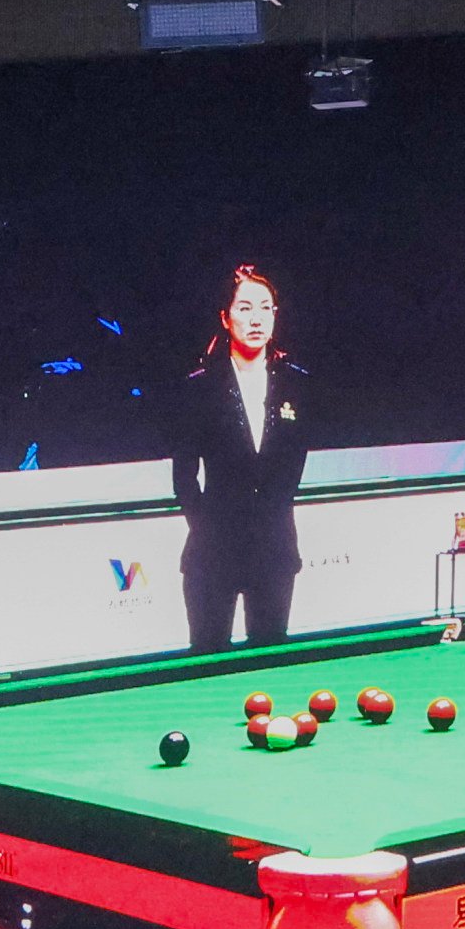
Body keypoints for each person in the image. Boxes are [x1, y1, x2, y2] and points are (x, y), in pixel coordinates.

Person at [171, 267, 307, 650]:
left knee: (270, 657)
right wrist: (210, 528)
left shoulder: (295, 382)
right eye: (245, 308)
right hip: (212, 553)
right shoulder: (199, 387)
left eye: (266, 308)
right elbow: (183, 477)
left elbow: (295, 461)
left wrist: (270, 517)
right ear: (225, 318)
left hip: (275, 550)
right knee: (208, 659)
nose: (256, 318)